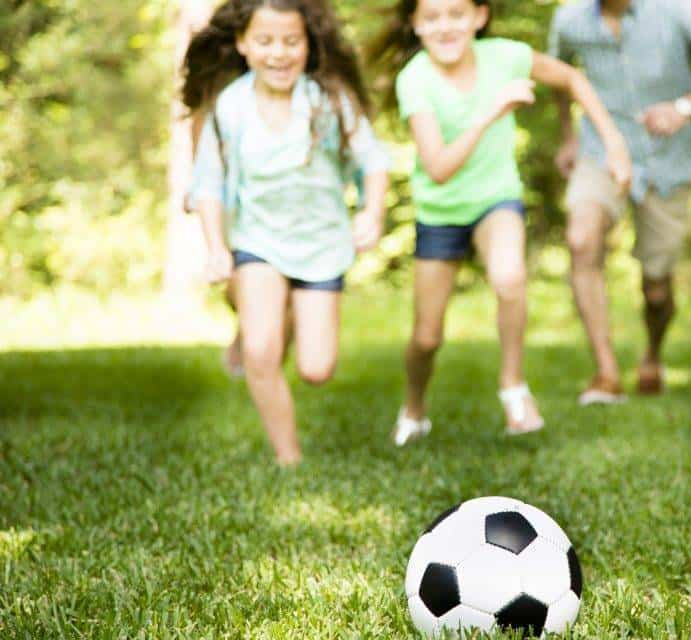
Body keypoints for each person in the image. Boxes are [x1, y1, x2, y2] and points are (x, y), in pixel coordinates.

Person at [368, 0, 632, 446]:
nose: (445, 26)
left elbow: (570, 77)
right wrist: (491, 111)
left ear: (479, 17)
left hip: (496, 198)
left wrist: (614, 143)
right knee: (427, 337)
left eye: (456, 14)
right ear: (414, 25)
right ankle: (414, 405)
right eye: (431, 18)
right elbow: (438, 168)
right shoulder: (415, 78)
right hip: (441, 210)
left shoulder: (505, 56)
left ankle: (513, 386)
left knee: (510, 278)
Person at [184, 0, 391, 466]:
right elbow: (208, 184)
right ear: (242, 45)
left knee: (316, 369)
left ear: (308, 44)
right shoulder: (230, 106)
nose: (279, 53)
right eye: (265, 41)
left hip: (322, 247)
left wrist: (372, 213)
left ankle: (273, 317)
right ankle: (288, 458)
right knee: (262, 351)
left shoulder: (329, 100)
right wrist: (216, 247)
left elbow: (373, 161)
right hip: (259, 242)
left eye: (290, 41)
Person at [548, 0, 691, 404]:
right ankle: (606, 374)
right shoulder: (569, 18)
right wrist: (567, 136)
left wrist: (685, 108)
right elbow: (560, 75)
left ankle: (652, 353)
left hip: (669, 156)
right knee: (581, 239)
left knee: (657, 286)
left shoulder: (680, 8)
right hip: (602, 150)